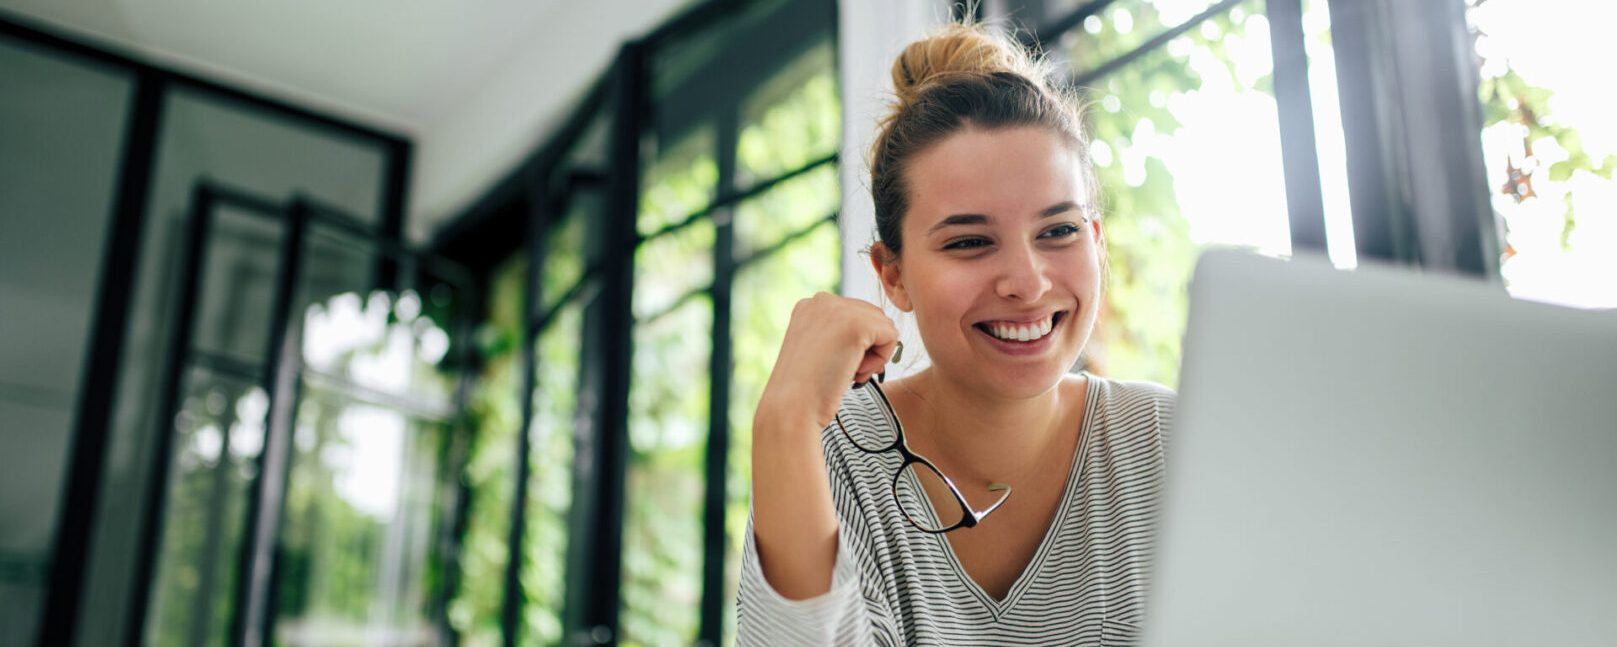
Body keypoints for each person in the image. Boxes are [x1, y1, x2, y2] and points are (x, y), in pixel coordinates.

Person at [735, 20, 1176, 646]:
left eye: (1058, 231)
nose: (1026, 282)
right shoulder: (834, 460)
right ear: (893, 276)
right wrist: (782, 419)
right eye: (970, 242)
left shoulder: (1170, 444)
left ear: (1096, 241)